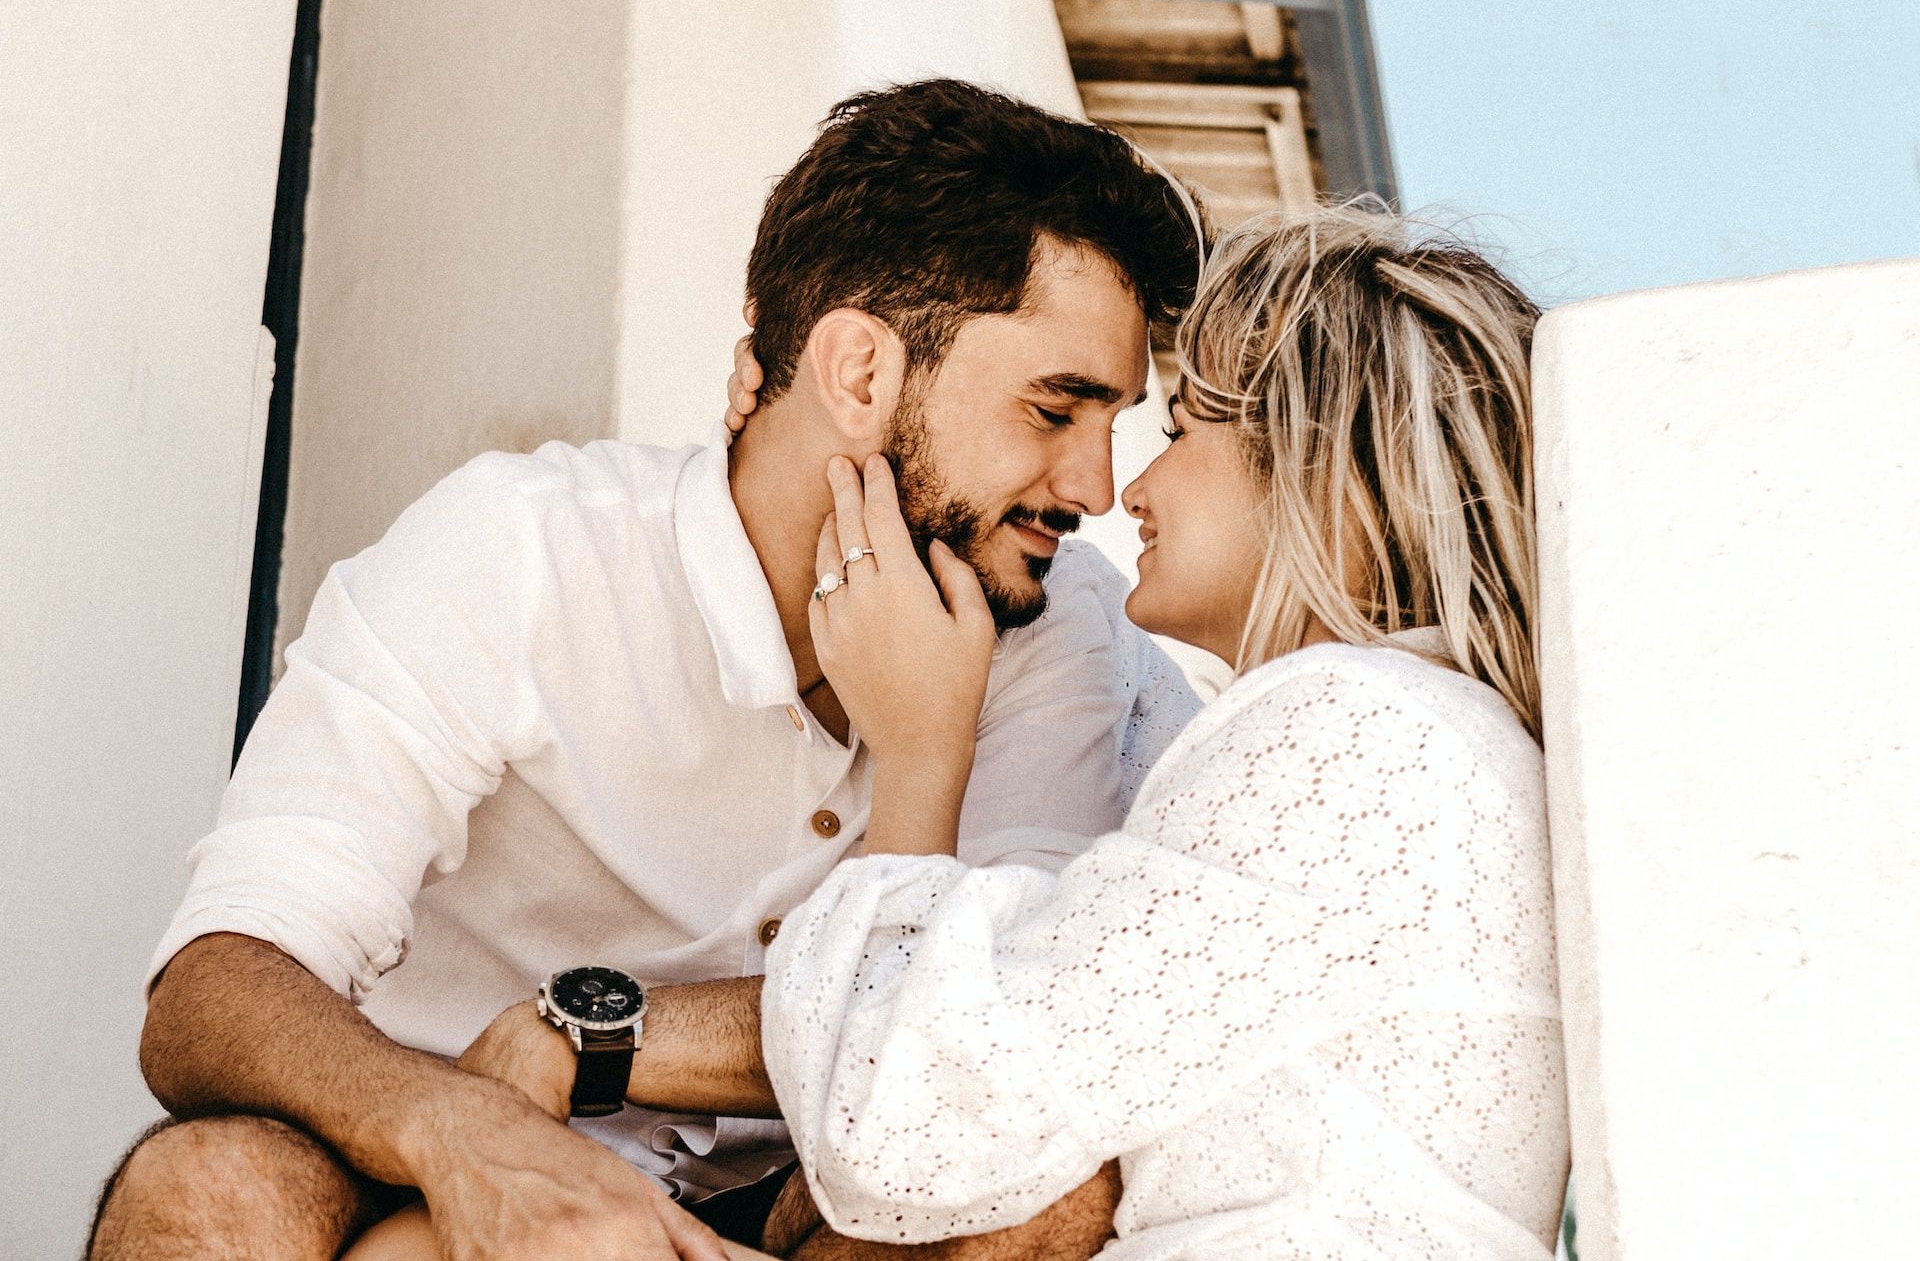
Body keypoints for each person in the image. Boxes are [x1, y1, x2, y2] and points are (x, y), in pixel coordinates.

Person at [88, 78, 1203, 1261]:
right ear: (862, 374)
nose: (1093, 487)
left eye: (1118, 422)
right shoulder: (521, 550)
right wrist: (462, 1136)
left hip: (795, 1203)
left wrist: (592, 1035)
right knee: (209, 1188)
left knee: (1041, 1191)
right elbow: (218, 980)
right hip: (426, 1157)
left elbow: (991, 1023)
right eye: (1056, 409)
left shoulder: (1049, 614)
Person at [403, 201, 1568, 1260]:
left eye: (1184, 428)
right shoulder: (1412, 746)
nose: (1124, 492)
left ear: (1332, 472)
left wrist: (918, 749)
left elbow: (915, 1122)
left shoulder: (1352, 737)